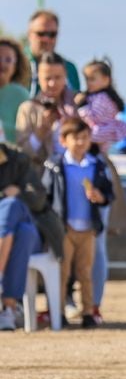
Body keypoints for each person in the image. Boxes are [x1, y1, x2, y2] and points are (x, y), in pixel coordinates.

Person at [42, 118, 113, 328]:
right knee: (62, 272)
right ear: (63, 141)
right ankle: (58, 311)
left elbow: (108, 194)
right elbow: (45, 196)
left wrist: (100, 197)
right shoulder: (55, 165)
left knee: (86, 272)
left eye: (85, 138)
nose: (81, 143)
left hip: (88, 228)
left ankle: (89, 311)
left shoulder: (96, 165)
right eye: (76, 138)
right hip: (63, 228)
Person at [74, 59, 126, 325]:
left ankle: (93, 303)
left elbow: (92, 128)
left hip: (98, 172)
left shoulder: (102, 103)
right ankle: (85, 302)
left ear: (106, 79)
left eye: (93, 79)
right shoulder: (94, 100)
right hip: (79, 169)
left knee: (96, 241)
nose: (89, 85)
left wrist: (78, 110)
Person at [0, 142, 58, 331]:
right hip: (22, 235)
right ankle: (9, 308)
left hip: (31, 226)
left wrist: (14, 197)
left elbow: (38, 198)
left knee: (12, 206)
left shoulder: (19, 159)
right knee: (24, 233)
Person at [15, 52, 78, 170]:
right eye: (47, 78)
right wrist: (40, 133)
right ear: (39, 77)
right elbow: (21, 154)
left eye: (58, 77)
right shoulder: (28, 109)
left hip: (77, 176)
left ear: (65, 76)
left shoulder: (78, 104)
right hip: (42, 179)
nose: (52, 83)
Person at [24, 10, 81, 96]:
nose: (46, 39)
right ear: (29, 34)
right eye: (41, 34)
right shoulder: (15, 64)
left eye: (52, 34)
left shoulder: (69, 68)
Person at [0, 37, 31, 143]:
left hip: (11, 156)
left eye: (8, 60)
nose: (2, 63)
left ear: (15, 66)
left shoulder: (21, 95)